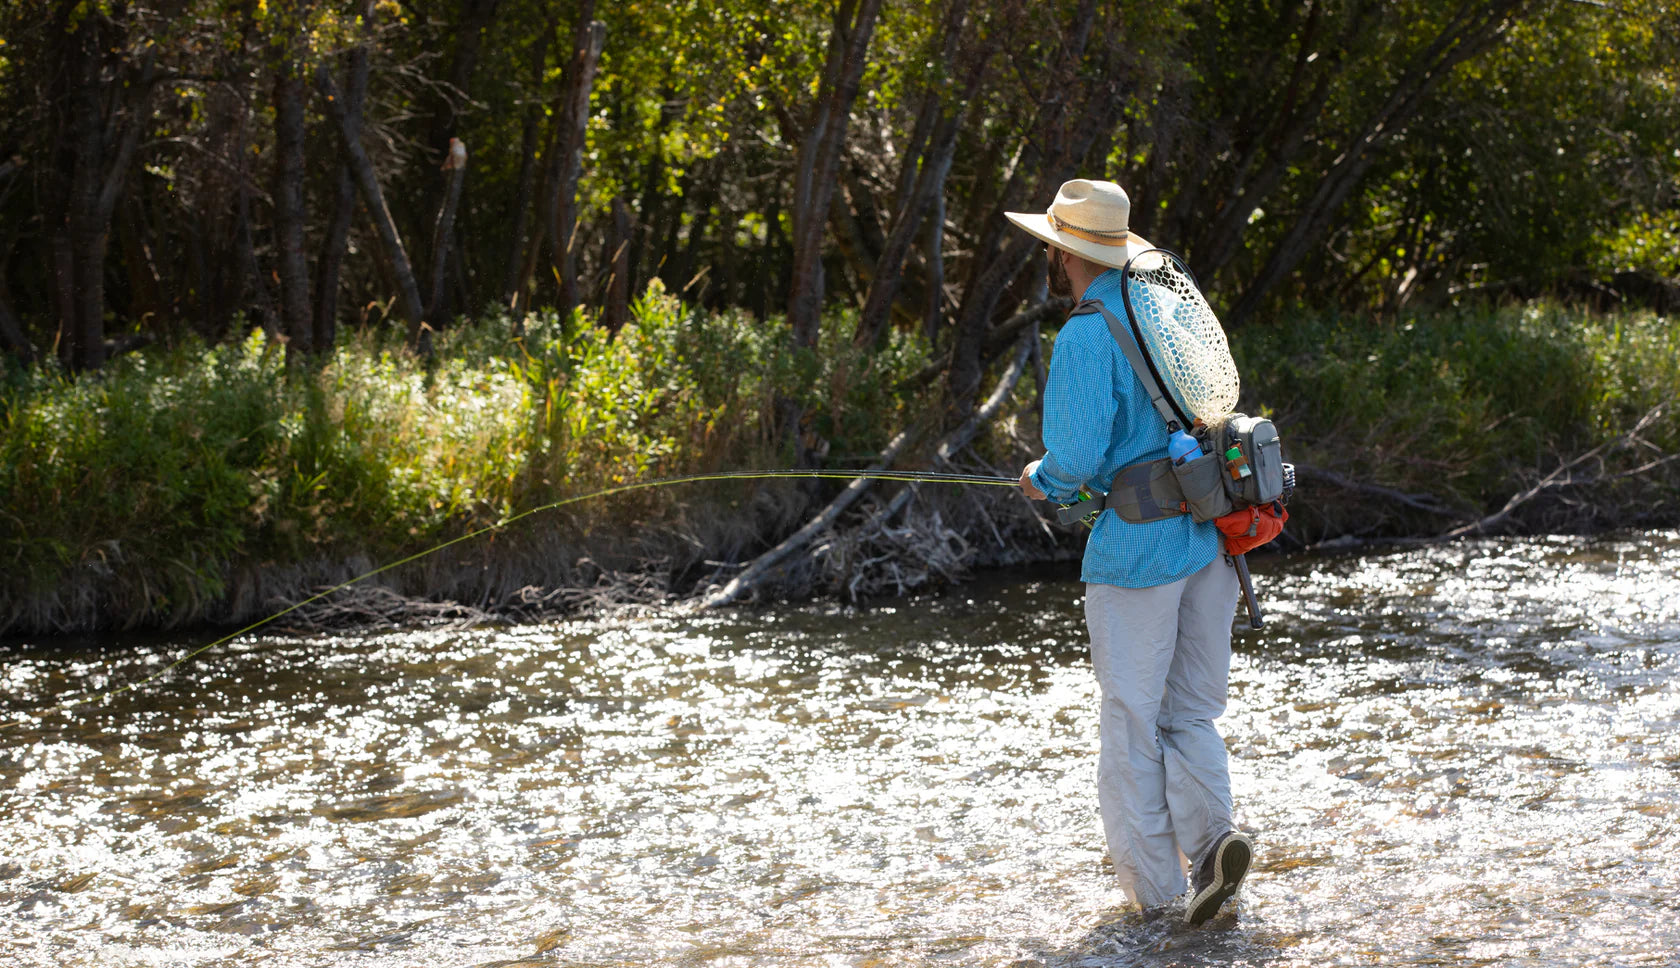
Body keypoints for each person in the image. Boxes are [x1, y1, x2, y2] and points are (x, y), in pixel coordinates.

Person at [1008, 178, 1253, 925]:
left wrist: (1037, 480)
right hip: (1209, 542)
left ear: (1061, 250)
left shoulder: (1086, 331)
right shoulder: (1162, 309)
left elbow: (1075, 462)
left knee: (1129, 726)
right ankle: (1215, 850)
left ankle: (1156, 902)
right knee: (1189, 716)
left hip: (1137, 556)